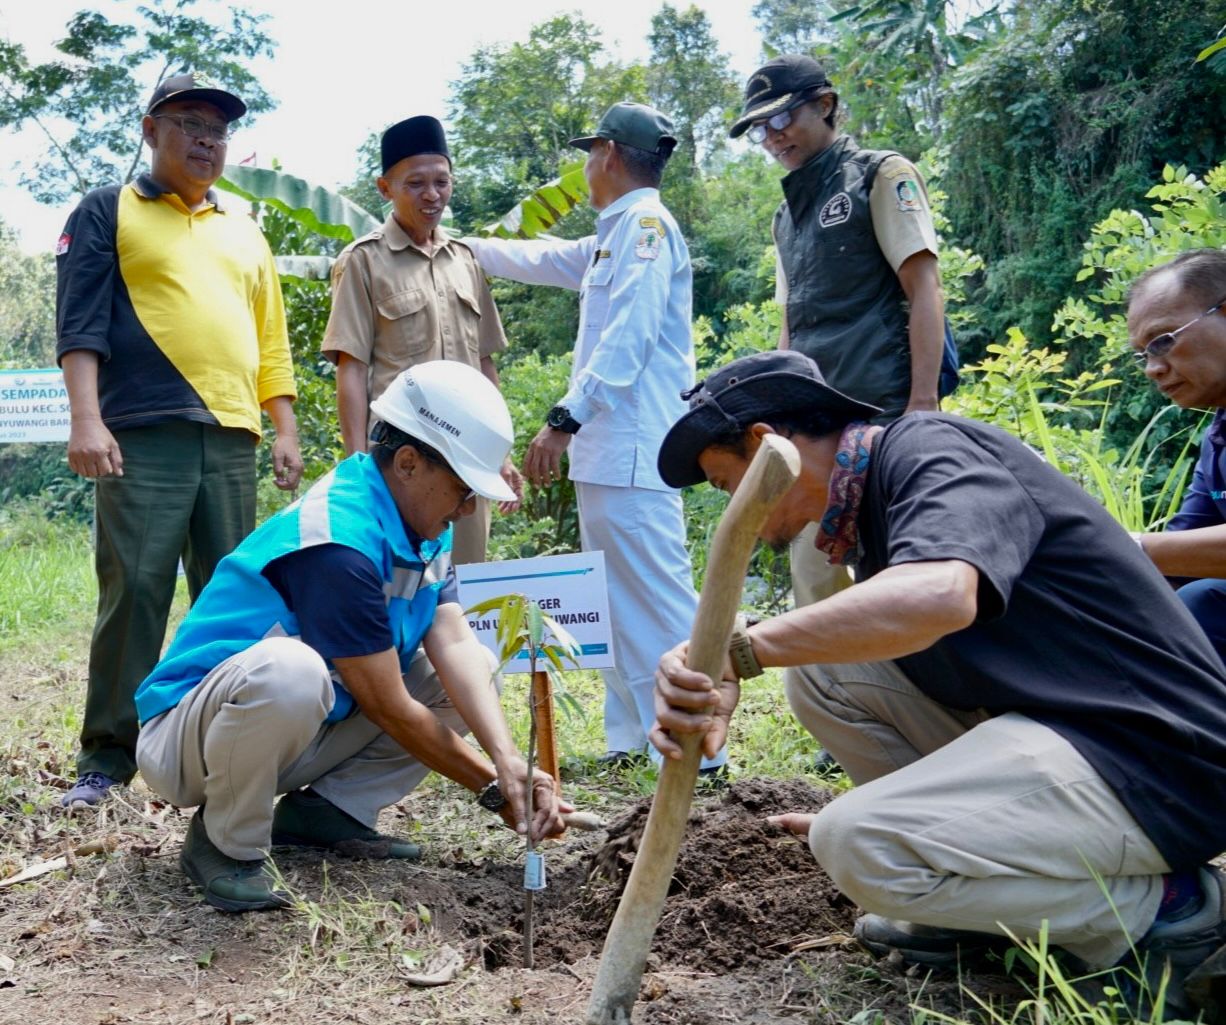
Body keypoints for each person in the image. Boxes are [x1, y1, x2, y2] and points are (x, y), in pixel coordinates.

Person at [650, 349, 1226, 1021]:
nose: (732, 510)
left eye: (726, 485)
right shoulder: (875, 508)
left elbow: (938, 596)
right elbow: (879, 624)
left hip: (1158, 763)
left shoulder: (930, 449)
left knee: (855, 842)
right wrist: (728, 649)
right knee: (825, 672)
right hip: (1080, 737)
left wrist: (741, 650)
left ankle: (1168, 911)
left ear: (764, 444)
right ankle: (972, 882)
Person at [133, 361, 568, 912]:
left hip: (291, 734)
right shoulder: (339, 541)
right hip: (189, 741)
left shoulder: (418, 526)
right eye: (462, 490)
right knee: (290, 672)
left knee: (470, 664)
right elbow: (387, 705)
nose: (466, 510)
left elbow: (452, 638)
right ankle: (223, 842)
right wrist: (493, 788)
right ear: (408, 463)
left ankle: (329, 812)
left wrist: (507, 759)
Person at [55, 72, 303, 810]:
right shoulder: (109, 210)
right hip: (141, 434)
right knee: (135, 592)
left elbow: (271, 338)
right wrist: (85, 418)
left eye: (218, 129)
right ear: (149, 131)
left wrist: (283, 425)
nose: (206, 139)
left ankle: (231, 746)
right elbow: (81, 324)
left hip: (232, 437)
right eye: (189, 123)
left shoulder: (245, 230)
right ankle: (107, 758)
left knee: (238, 595)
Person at [463, 102, 724, 775]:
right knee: (614, 599)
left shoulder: (645, 228)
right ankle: (634, 739)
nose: (585, 168)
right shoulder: (617, 233)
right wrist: (469, 249)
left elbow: (630, 336)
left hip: (636, 447)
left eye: (589, 155)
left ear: (608, 154)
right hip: (612, 454)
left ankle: (700, 748)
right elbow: (551, 257)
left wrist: (563, 417)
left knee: (659, 597)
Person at [730, 54, 954, 621]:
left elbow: (923, 288)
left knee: (894, 568)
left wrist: (921, 409)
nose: (772, 136)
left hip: (885, 414)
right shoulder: (786, 217)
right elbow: (790, 328)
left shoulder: (881, 174)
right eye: (760, 127)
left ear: (825, 105)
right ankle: (835, 693)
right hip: (816, 425)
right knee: (815, 571)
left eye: (782, 119)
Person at [322, 115, 521, 565]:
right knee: (398, 583)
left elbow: (485, 363)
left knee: (464, 584)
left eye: (442, 182)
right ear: (384, 187)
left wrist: (502, 455)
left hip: (469, 460)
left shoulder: (465, 260)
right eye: (415, 183)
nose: (432, 195)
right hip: (402, 465)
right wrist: (356, 464)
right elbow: (351, 368)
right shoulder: (364, 261)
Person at [1127, 249, 1226, 665]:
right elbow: (1177, 558)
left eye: (1164, 340)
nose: (1153, 368)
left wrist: (1130, 545)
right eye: (1144, 354)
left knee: (1206, 604)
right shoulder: (1218, 438)